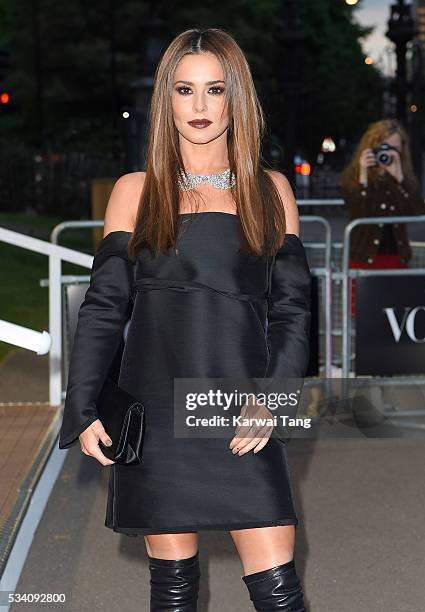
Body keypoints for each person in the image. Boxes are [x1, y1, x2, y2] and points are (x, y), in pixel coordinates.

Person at [58, 28, 311, 611]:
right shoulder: (135, 191)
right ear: (165, 100)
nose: (199, 107)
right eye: (184, 89)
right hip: (157, 413)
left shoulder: (270, 193)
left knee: (279, 594)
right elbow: (104, 305)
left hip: (241, 408)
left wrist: (273, 397)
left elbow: (293, 308)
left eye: (215, 90)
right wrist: (82, 404)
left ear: (235, 98)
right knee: (173, 592)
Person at [341, 118, 425, 318]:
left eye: (395, 148)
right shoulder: (353, 177)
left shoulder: (403, 177)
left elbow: (417, 211)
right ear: (371, 147)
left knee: (395, 316)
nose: (389, 153)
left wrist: (399, 178)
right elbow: (357, 211)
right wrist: (363, 174)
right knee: (365, 317)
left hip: (396, 257)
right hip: (364, 258)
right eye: (384, 146)